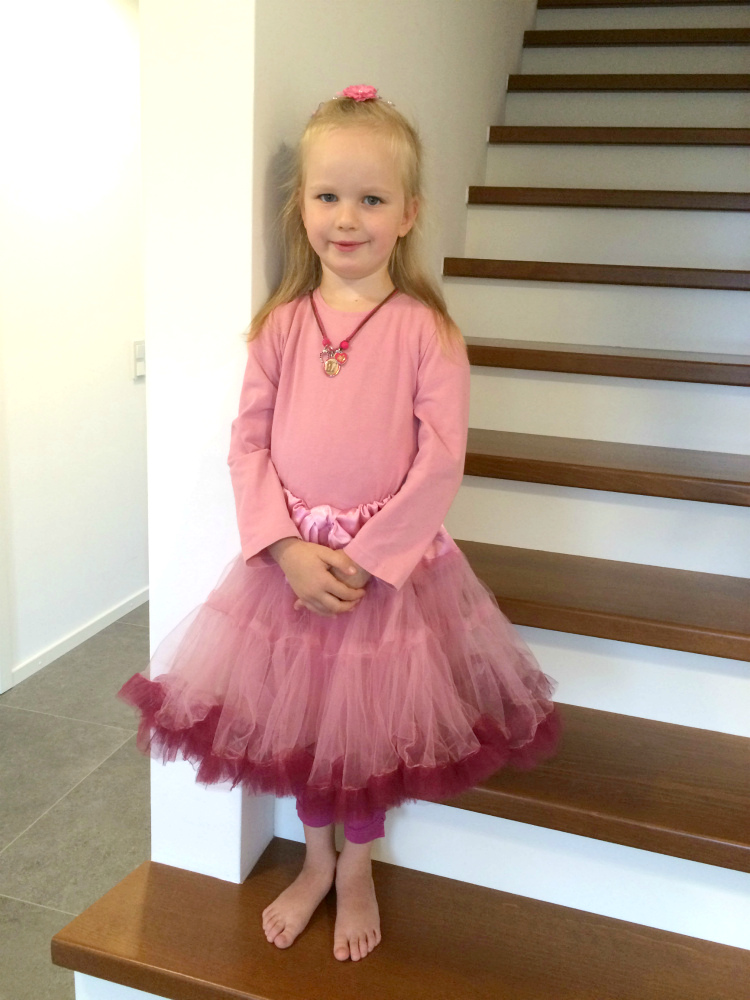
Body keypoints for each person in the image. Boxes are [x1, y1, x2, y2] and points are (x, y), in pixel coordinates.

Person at [118, 84, 559, 964]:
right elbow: (247, 443)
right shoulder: (281, 327)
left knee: (366, 733)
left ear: (408, 214)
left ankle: (357, 864)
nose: (347, 218)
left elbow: (440, 459)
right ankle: (315, 859)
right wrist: (284, 547)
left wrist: (368, 557)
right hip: (288, 570)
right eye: (328, 196)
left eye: (371, 199)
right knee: (303, 730)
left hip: (383, 576)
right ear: (302, 207)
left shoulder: (427, 332)